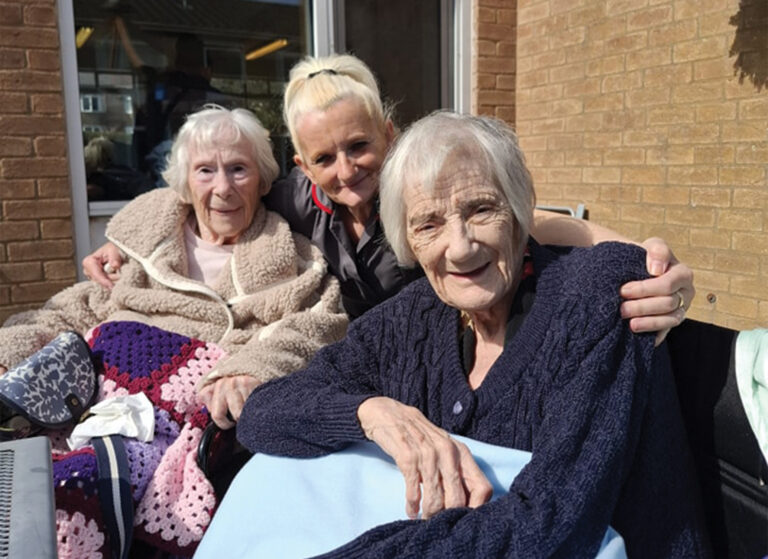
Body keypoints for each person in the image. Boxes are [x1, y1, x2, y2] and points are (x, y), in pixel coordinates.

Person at [228, 112, 711, 557]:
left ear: (519, 208)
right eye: (428, 224)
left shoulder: (594, 296)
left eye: (481, 209)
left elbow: (553, 527)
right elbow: (262, 415)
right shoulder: (405, 321)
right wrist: (371, 414)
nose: (459, 248)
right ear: (407, 240)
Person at [83, 54, 694, 340]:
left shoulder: (424, 192)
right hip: (357, 360)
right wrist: (123, 249)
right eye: (324, 159)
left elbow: (533, 221)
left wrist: (648, 260)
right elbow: (212, 199)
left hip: (441, 352)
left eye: (359, 146)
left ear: (389, 136)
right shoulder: (294, 199)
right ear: (301, 166)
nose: (346, 170)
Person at [0, 105, 347, 557]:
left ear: (263, 179)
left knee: (67, 496)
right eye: (205, 170)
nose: (222, 188)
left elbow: (318, 325)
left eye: (238, 169)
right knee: (19, 476)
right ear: (185, 181)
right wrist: (10, 352)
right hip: (88, 402)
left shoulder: (292, 259)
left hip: (175, 420)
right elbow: (74, 309)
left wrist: (251, 366)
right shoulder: (142, 249)